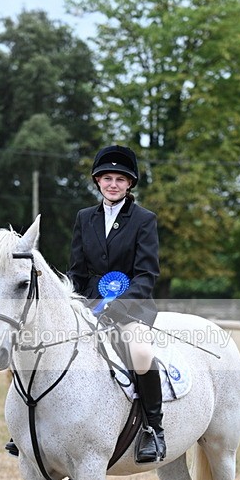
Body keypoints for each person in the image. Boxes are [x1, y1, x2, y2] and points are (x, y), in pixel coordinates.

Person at [68, 145, 166, 463]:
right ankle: (33, 428)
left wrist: (119, 306)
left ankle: (153, 429)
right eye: (107, 178)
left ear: (129, 184)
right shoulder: (85, 218)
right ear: (97, 181)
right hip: (90, 308)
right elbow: (77, 271)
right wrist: (78, 303)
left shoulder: (144, 220)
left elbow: (146, 274)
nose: (113, 184)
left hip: (133, 309)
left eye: (120, 179)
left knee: (140, 352)